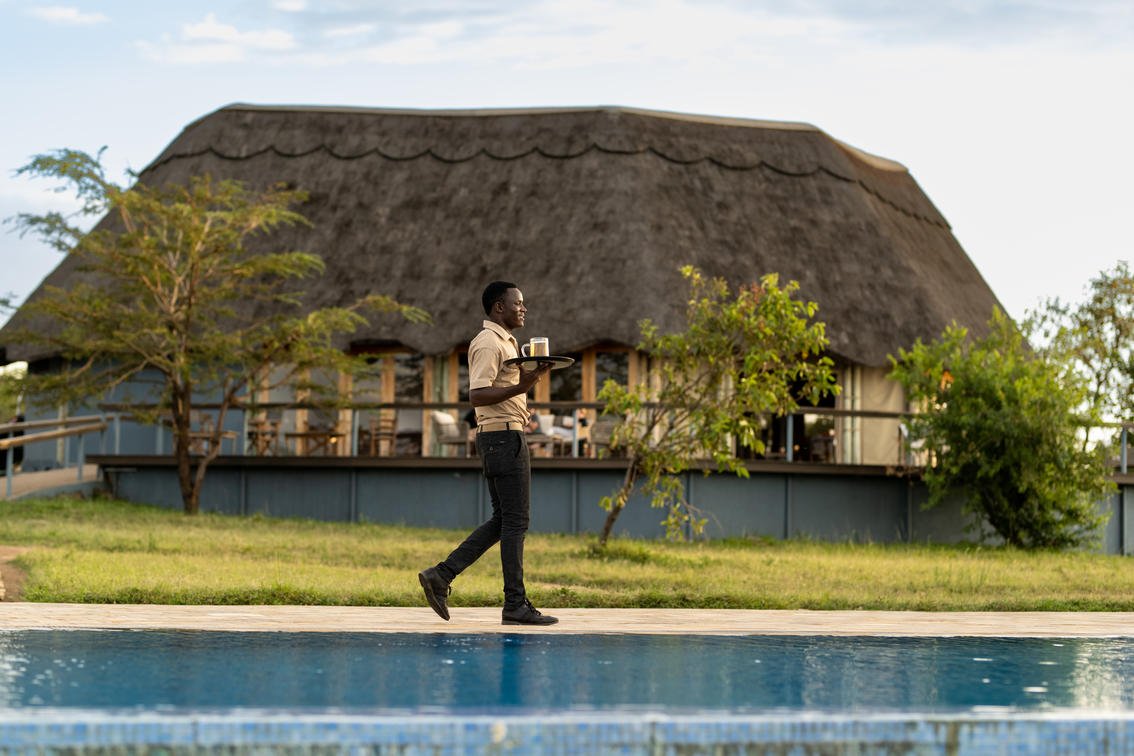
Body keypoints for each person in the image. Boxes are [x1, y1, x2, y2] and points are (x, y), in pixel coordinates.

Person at [418, 281, 557, 625]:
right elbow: (477, 395)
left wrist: (526, 381)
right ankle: (515, 604)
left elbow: (501, 388)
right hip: (502, 439)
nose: (524, 308)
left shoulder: (506, 342)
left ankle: (441, 575)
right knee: (516, 522)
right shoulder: (488, 342)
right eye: (518, 303)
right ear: (499, 307)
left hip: (504, 437)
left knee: (503, 521)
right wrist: (524, 384)